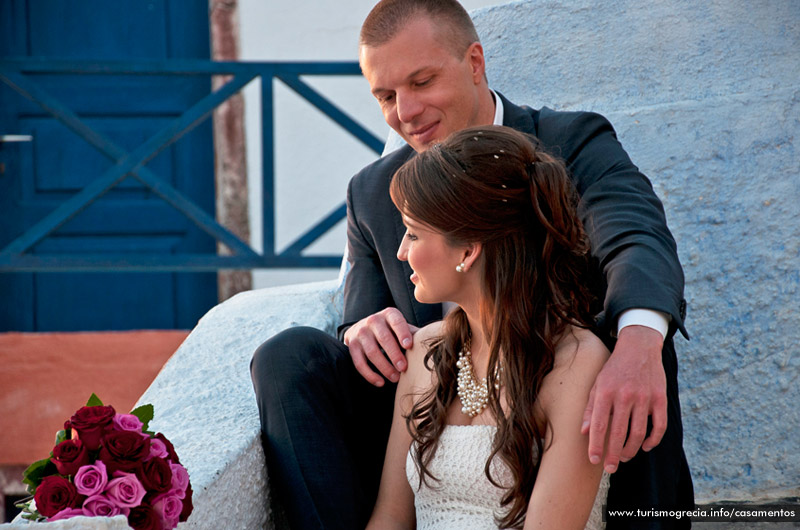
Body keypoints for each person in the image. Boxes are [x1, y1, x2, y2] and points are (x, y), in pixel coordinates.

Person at [250, 1, 693, 528]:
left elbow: (634, 235)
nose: (405, 112)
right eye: (386, 96)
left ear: (475, 63)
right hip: (427, 417)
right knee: (288, 356)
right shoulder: (372, 192)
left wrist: (639, 345)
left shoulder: (572, 143)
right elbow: (363, 312)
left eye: (422, 81)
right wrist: (362, 330)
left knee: (633, 337)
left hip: (572, 414)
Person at [367, 124, 611, 530]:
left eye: (413, 233)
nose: (401, 251)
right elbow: (390, 517)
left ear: (467, 250)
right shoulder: (423, 352)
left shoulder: (575, 366)